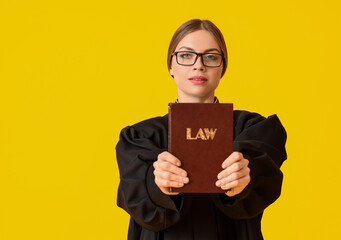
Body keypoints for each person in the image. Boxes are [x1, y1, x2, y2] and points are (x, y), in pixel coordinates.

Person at [115, 19, 287, 240]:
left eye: (211, 57)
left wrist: (245, 175)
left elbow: (262, 177)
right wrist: (155, 181)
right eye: (186, 55)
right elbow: (137, 198)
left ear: (223, 67)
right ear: (170, 65)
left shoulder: (253, 129)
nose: (199, 65)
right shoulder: (140, 137)